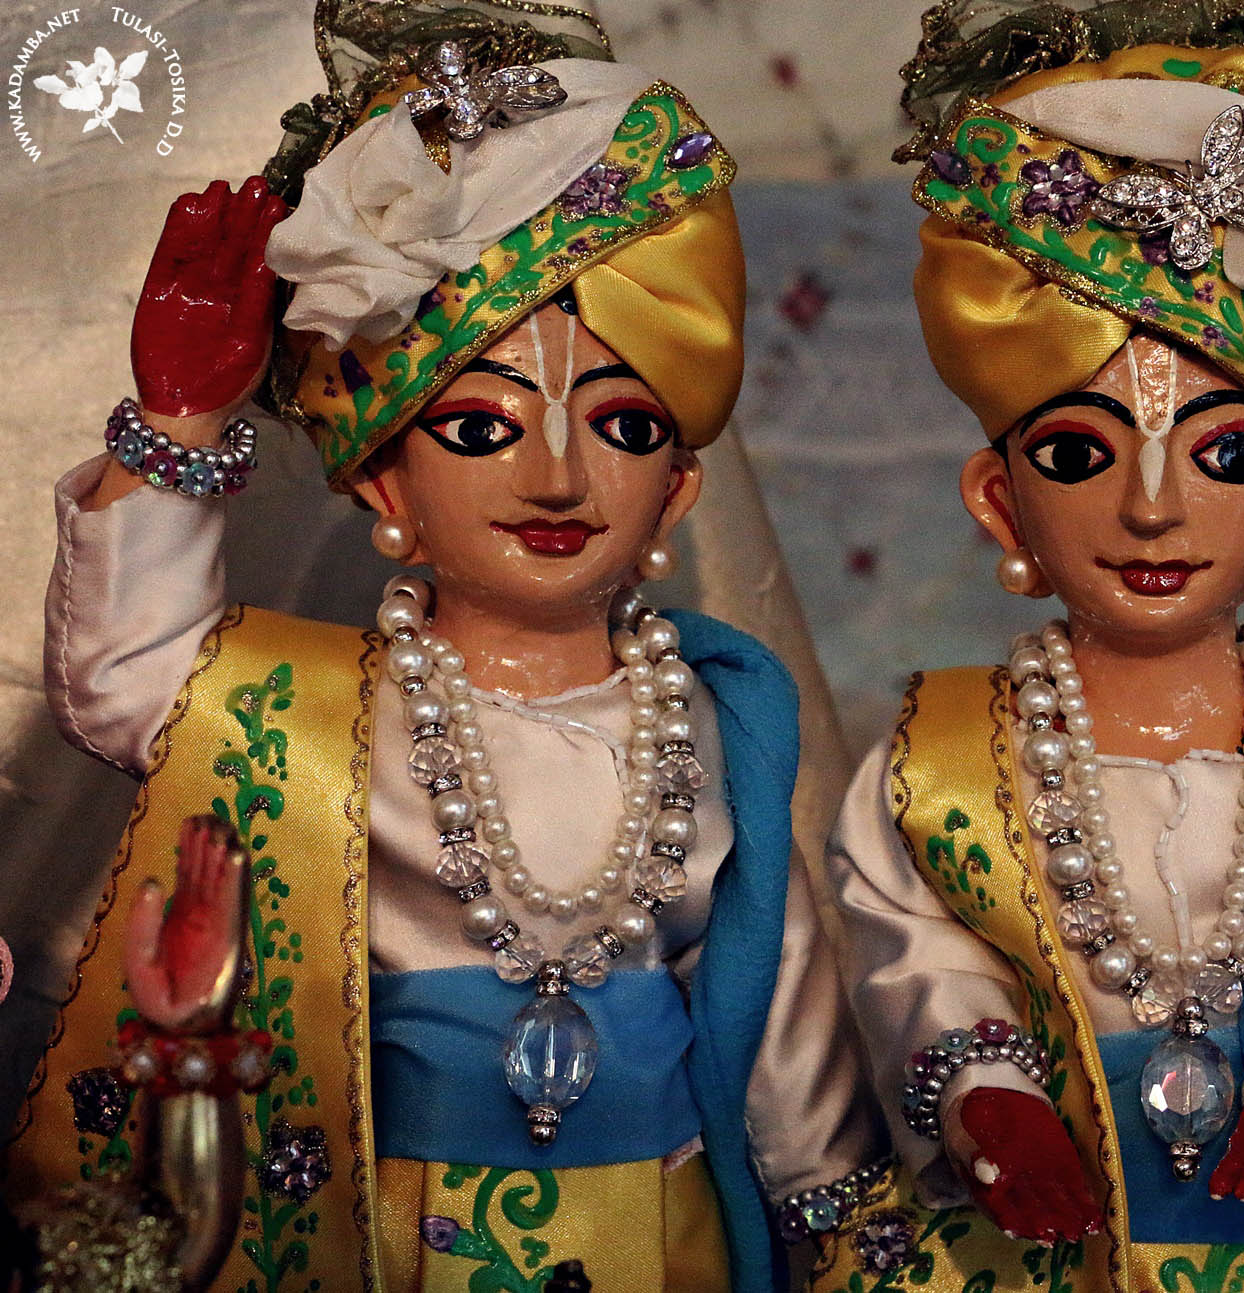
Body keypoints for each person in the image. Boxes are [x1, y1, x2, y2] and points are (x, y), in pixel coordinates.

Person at [6, 5, 874, 1289]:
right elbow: (140, 682)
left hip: (659, 1235)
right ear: (386, 487)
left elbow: (780, 1016)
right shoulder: (322, 716)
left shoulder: (708, 722)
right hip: (392, 1230)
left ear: (677, 495)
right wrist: (177, 427)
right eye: (479, 429)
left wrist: (837, 1224)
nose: (557, 474)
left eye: (625, 427)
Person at [810, 3, 1244, 1289]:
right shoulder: (935, 768)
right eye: (1077, 453)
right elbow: (917, 955)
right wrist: (985, 1097)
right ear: (999, 501)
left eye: (1226, 455)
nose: (1153, 509)